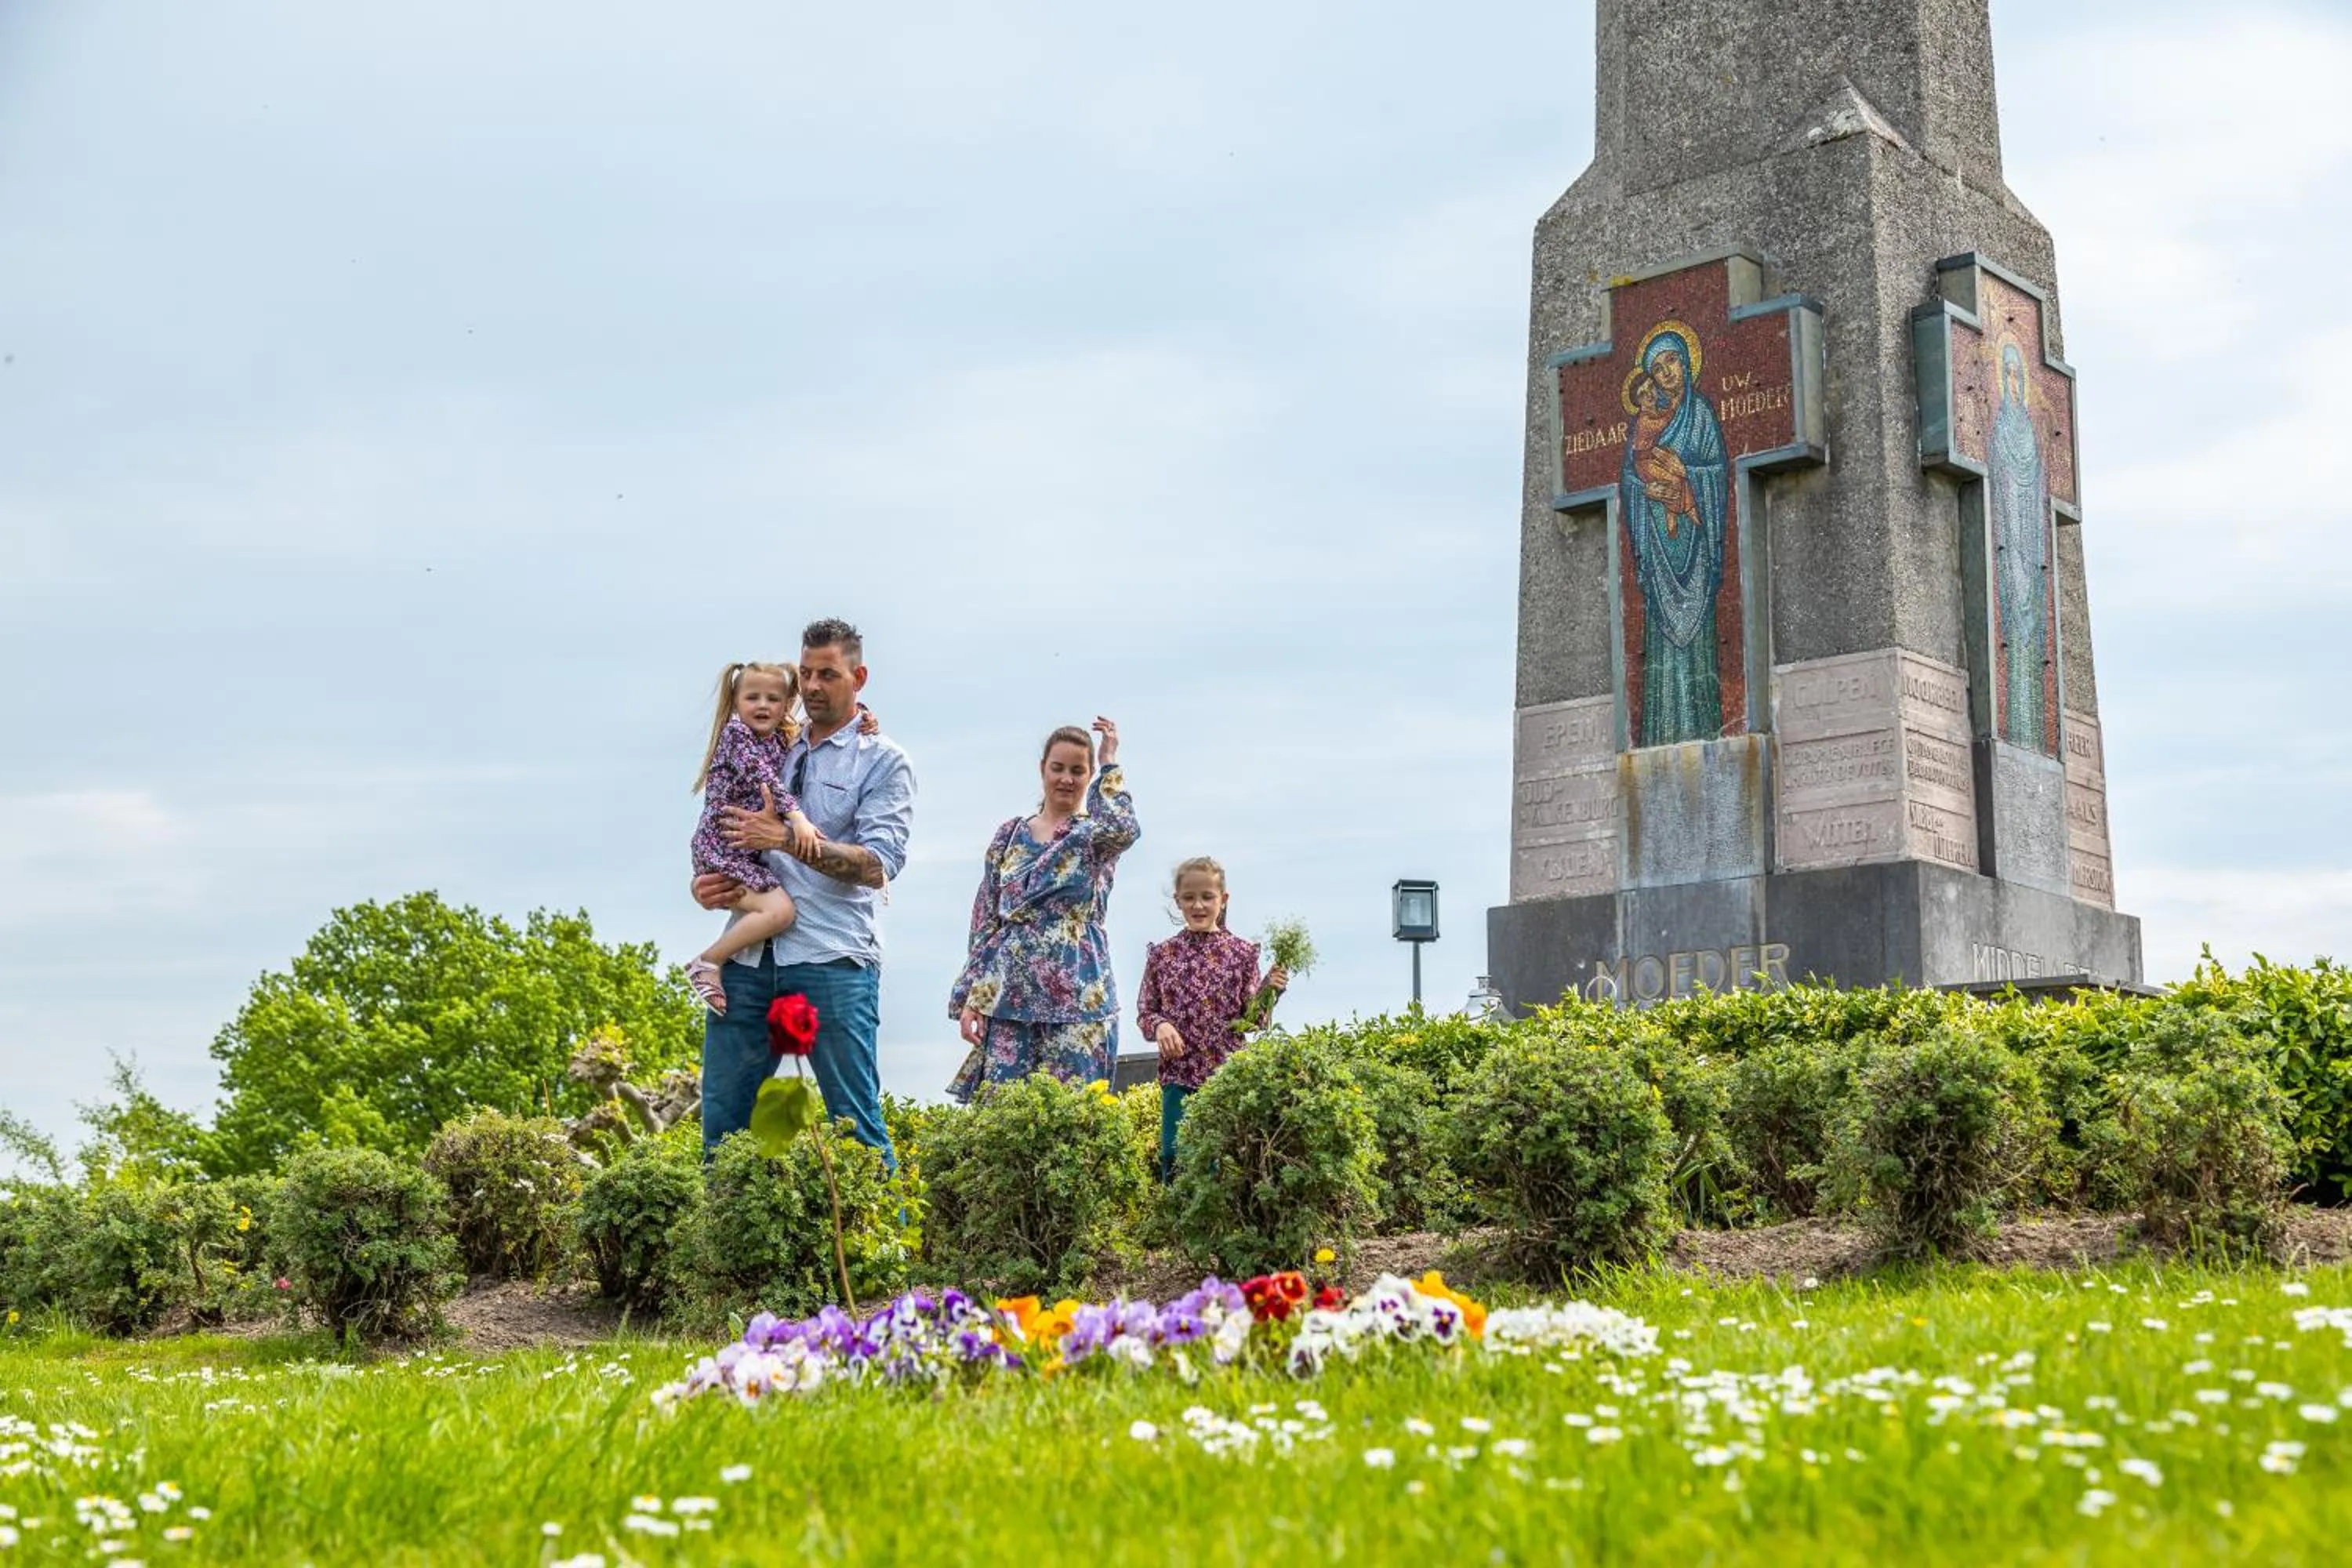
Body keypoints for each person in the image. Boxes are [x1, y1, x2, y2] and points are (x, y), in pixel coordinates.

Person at [690, 619, 913, 1165]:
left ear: (859, 678)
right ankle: (726, 1250)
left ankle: (881, 1252)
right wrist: (709, 884)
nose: (813, 686)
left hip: (830, 958)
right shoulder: (772, 742)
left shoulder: (882, 759)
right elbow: (729, 817)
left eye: (828, 675)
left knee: (854, 1125)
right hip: (746, 960)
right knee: (724, 1129)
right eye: (806, 674)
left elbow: (880, 865)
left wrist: (785, 839)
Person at [946, 719, 1137, 1101]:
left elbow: (1124, 828)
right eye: (1058, 768)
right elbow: (986, 918)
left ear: (1089, 776)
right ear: (1043, 769)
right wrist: (973, 996)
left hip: (1079, 996)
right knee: (1003, 1118)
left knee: (1076, 1115)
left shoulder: (1094, 836)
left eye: (1078, 770)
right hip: (1009, 996)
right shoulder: (1009, 834)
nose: (1066, 779)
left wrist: (1110, 762)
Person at [1134, 856, 1288, 1183]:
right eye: (1189, 898)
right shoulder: (1163, 956)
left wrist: (1269, 992)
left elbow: (1252, 1021)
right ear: (1177, 901)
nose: (1198, 905)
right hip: (1179, 1072)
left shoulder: (1242, 954)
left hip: (1227, 1073)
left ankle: (1225, 1229)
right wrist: (1160, 1025)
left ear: (1224, 899)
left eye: (1207, 896)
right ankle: (1176, 1228)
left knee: (1226, 1157)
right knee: (1175, 1155)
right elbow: (1146, 1011)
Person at [683, 662, 819, 1014]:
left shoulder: (777, 737)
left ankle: (716, 962)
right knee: (780, 911)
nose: (762, 705)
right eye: (752, 697)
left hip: (744, 852)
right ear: (735, 701)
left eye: (773, 699)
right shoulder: (737, 735)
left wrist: (866, 718)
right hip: (723, 848)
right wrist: (798, 818)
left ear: (787, 704)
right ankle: (708, 962)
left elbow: (815, 728)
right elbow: (764, 778)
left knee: (774, 911)